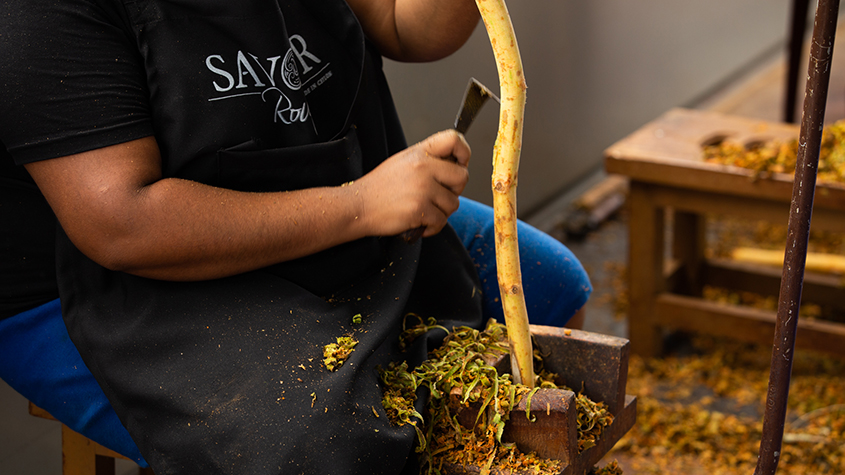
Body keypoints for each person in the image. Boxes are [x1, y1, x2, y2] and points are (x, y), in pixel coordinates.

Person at [0, 0, 591, 473]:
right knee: (326, 445)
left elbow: (405, 26)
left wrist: (364, 203)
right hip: (118, 274)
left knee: (551, 287)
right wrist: (360, 207)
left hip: (322, 186)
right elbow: (122, 225)